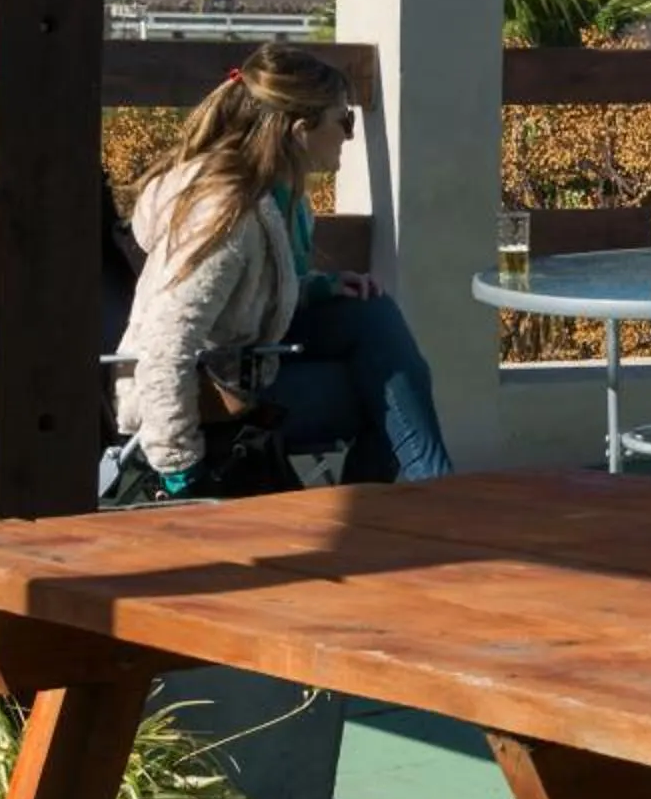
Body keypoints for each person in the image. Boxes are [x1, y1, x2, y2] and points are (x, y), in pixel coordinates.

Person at [115, 42, 454, 492]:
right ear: (299, 131)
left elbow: (247, 292)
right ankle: (431, 499)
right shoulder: (225, 215)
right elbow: (165, 345)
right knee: (389, 397)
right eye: (344, 120)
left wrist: (319, 288)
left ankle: (423, 498)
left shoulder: (281, 199)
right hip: (211, 401)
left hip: (252, 361)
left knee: (372, 316)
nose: (350, 135)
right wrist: (180, 468)